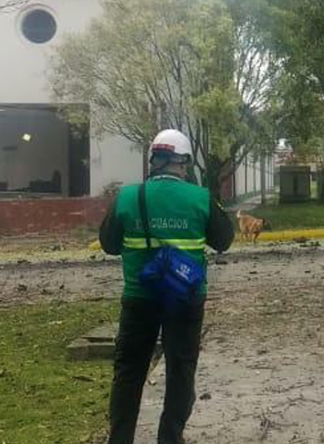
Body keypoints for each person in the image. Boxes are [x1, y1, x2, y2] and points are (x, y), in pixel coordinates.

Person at [99, 129, 234, 444]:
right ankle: (170, 438)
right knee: (180, 370)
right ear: (183, 163)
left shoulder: (127, 197)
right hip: (185, 300)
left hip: (138, 299)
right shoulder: (200, 198)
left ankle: (120, 439)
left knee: (129, 374)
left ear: (153, 162)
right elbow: (224, 241)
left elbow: (109, 244)